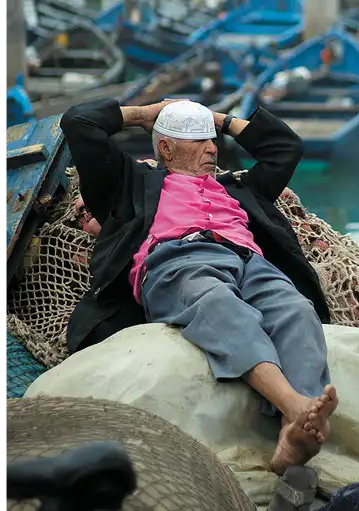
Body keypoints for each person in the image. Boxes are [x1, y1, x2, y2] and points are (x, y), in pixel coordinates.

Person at [60, 97, 337, 474]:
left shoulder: (238, 187)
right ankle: (294, 406)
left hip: (248, 260)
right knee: (217, 303)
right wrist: (147, 113)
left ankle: (295, 434)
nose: (212, 148)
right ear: (165, 148)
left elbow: (285, 148)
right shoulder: (130, 184)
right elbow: (78, 122)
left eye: (212, 139)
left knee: (297, 310)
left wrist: (217, 119)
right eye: (199, 140)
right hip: (178, 261)